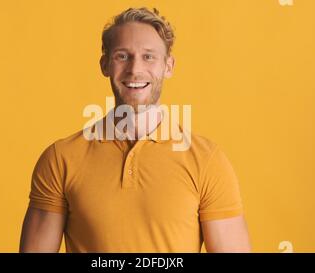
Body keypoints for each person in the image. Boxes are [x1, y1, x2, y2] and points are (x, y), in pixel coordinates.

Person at [19, 7, 251, 253]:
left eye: (148, 56)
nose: (135, 69)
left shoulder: (207, 161)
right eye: (122, 56)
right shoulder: (60, 159)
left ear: (168, 66)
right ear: (105, 64)